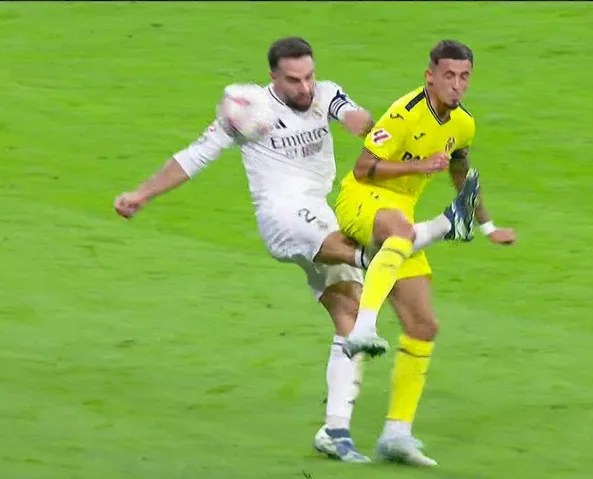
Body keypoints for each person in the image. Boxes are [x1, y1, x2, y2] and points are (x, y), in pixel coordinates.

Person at [113, 37, 478, 464]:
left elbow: (351, 113)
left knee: (351, 310)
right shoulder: (249, 110)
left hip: (321, 212)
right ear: (273, 77)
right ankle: (441, 226)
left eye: (308, 77)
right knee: (372, 249)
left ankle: (335, 430)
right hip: (283, 217)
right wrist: (142, 194)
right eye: (293, 80)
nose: (304, 88)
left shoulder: (324, 93)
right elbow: (195, 156)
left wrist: (360, 120)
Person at [334, 39, 517, 466]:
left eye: (464, 76)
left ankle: (396, 434)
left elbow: (460, 173)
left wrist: (488, 225)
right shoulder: (403, 113)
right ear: (429, 75)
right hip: (361, 201)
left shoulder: (463, 125)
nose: (457, 85)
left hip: (400, 218)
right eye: (449, 75)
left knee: (423, 325)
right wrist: (420, 166)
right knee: (400, 230)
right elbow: (363, 169)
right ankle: (364, 325)